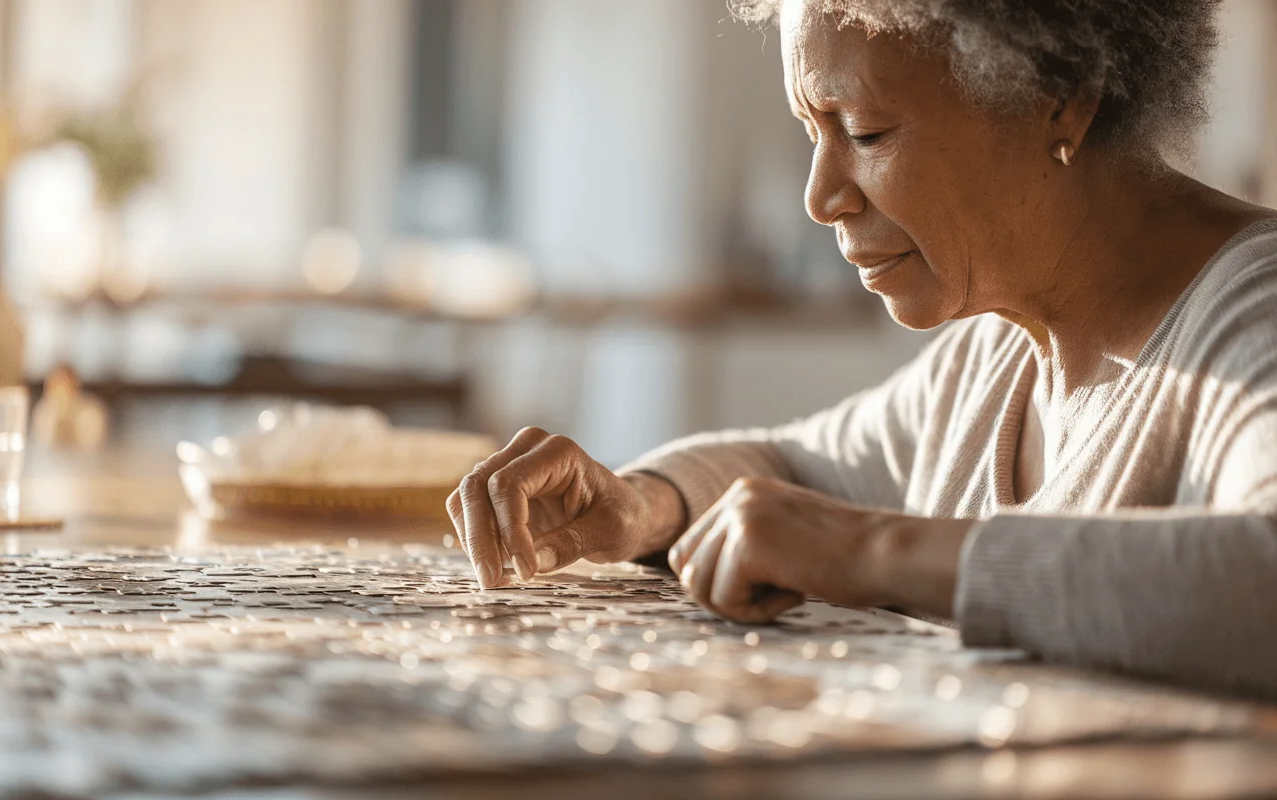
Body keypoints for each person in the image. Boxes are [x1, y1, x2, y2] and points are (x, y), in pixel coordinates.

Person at [450, 0, 1277, 698]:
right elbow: (793, 471)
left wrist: (870, 549)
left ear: (1058, 97)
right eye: (811, 130)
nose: (821, 197)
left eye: (865, 131)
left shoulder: (1256, 306)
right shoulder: (998, 352)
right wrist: (639, 507)